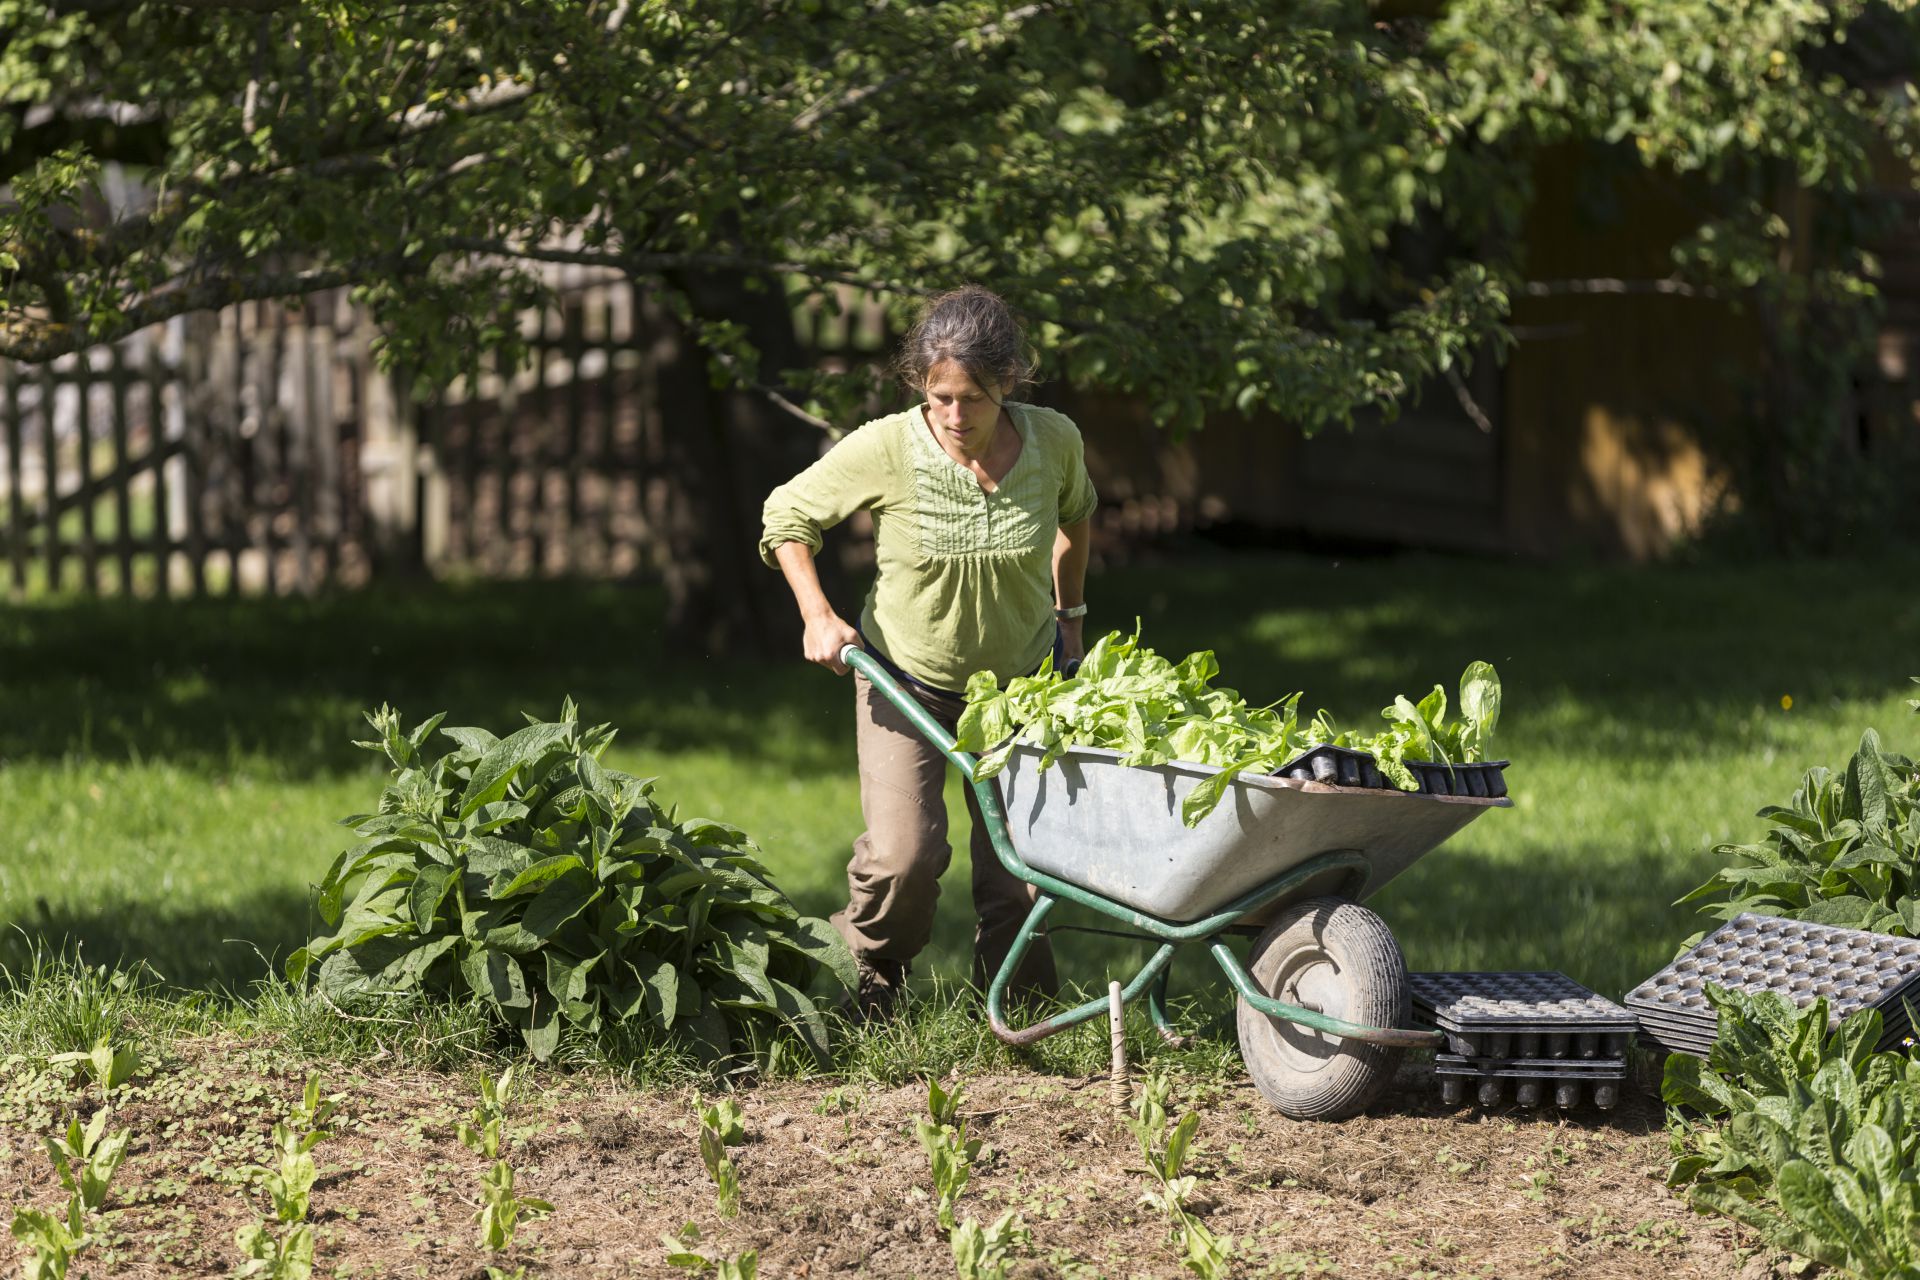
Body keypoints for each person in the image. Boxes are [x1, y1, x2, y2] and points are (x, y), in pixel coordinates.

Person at [758, 285, 1097, 1021]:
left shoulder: (1053, 442)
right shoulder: (889, 446)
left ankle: (1023, 1015)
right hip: (906, 683)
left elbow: (1076, 520)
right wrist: (818, 615)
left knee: (1025, 872)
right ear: (920, 385)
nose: (953, 416)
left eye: (971, 398)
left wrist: (1070, 621)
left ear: (1007, 380)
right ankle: (874, 983)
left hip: (1021, 688)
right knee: (904, 858)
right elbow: (787, 514)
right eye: (939, 396)